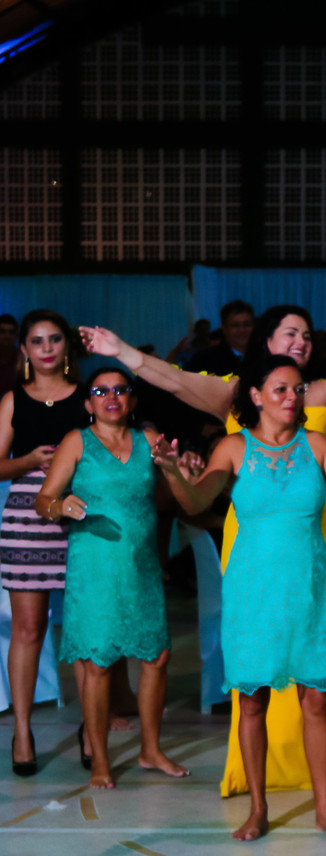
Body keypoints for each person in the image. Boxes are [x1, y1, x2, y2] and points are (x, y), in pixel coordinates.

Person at [80, 307, 326, 796]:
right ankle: (263, 782)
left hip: (315, 538)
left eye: (305, 334)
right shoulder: (233, 394)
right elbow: (170, 379)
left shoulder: (319, 395)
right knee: (257, 675)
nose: (300, 341)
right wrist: (121, 352)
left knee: (318, 668)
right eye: (290, 333)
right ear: (267, 344)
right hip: (253, 535)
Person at [155, 355, 326, 841]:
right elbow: (197, 502)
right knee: (251, 705)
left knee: (316, 703)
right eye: (282, 389)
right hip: (251, 592)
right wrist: (171, 470)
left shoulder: (318, 444)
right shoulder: (231, 447)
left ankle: (324, 810)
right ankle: (258, 809)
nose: (293, 398)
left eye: (298, 389)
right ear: (256, 396)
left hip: (310, 590)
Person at [34, 368, 191, 788]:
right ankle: (100, 758)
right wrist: (60, 506)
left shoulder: (148, 440)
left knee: (156, 657)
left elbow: (177, 489)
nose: (111, 397)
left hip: (141, 566)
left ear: (133, 401)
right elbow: (43, 499)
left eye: (121, 390)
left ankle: (150, 749)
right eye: (101, 391)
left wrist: (181, 466)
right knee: (98, 664)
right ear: (88, 404)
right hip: (95, 568)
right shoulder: (76, 441)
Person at [1, 310, 89, 776]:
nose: (48, 347)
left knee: (80, 631)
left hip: (79, 516)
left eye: (56, 339)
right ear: (25, 350)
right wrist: (29, 460)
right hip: (25, 517)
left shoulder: (87, 397)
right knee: (29, 630)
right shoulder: (14, 400)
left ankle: (90, 728)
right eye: (38, 341)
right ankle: (21, 730)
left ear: (67, 346)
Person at [186, 300, 254, 376]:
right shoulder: (205, 359)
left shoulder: (264, 356)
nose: (242, 330)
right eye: (235, 325)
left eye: (247, 324)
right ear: (224, 328)